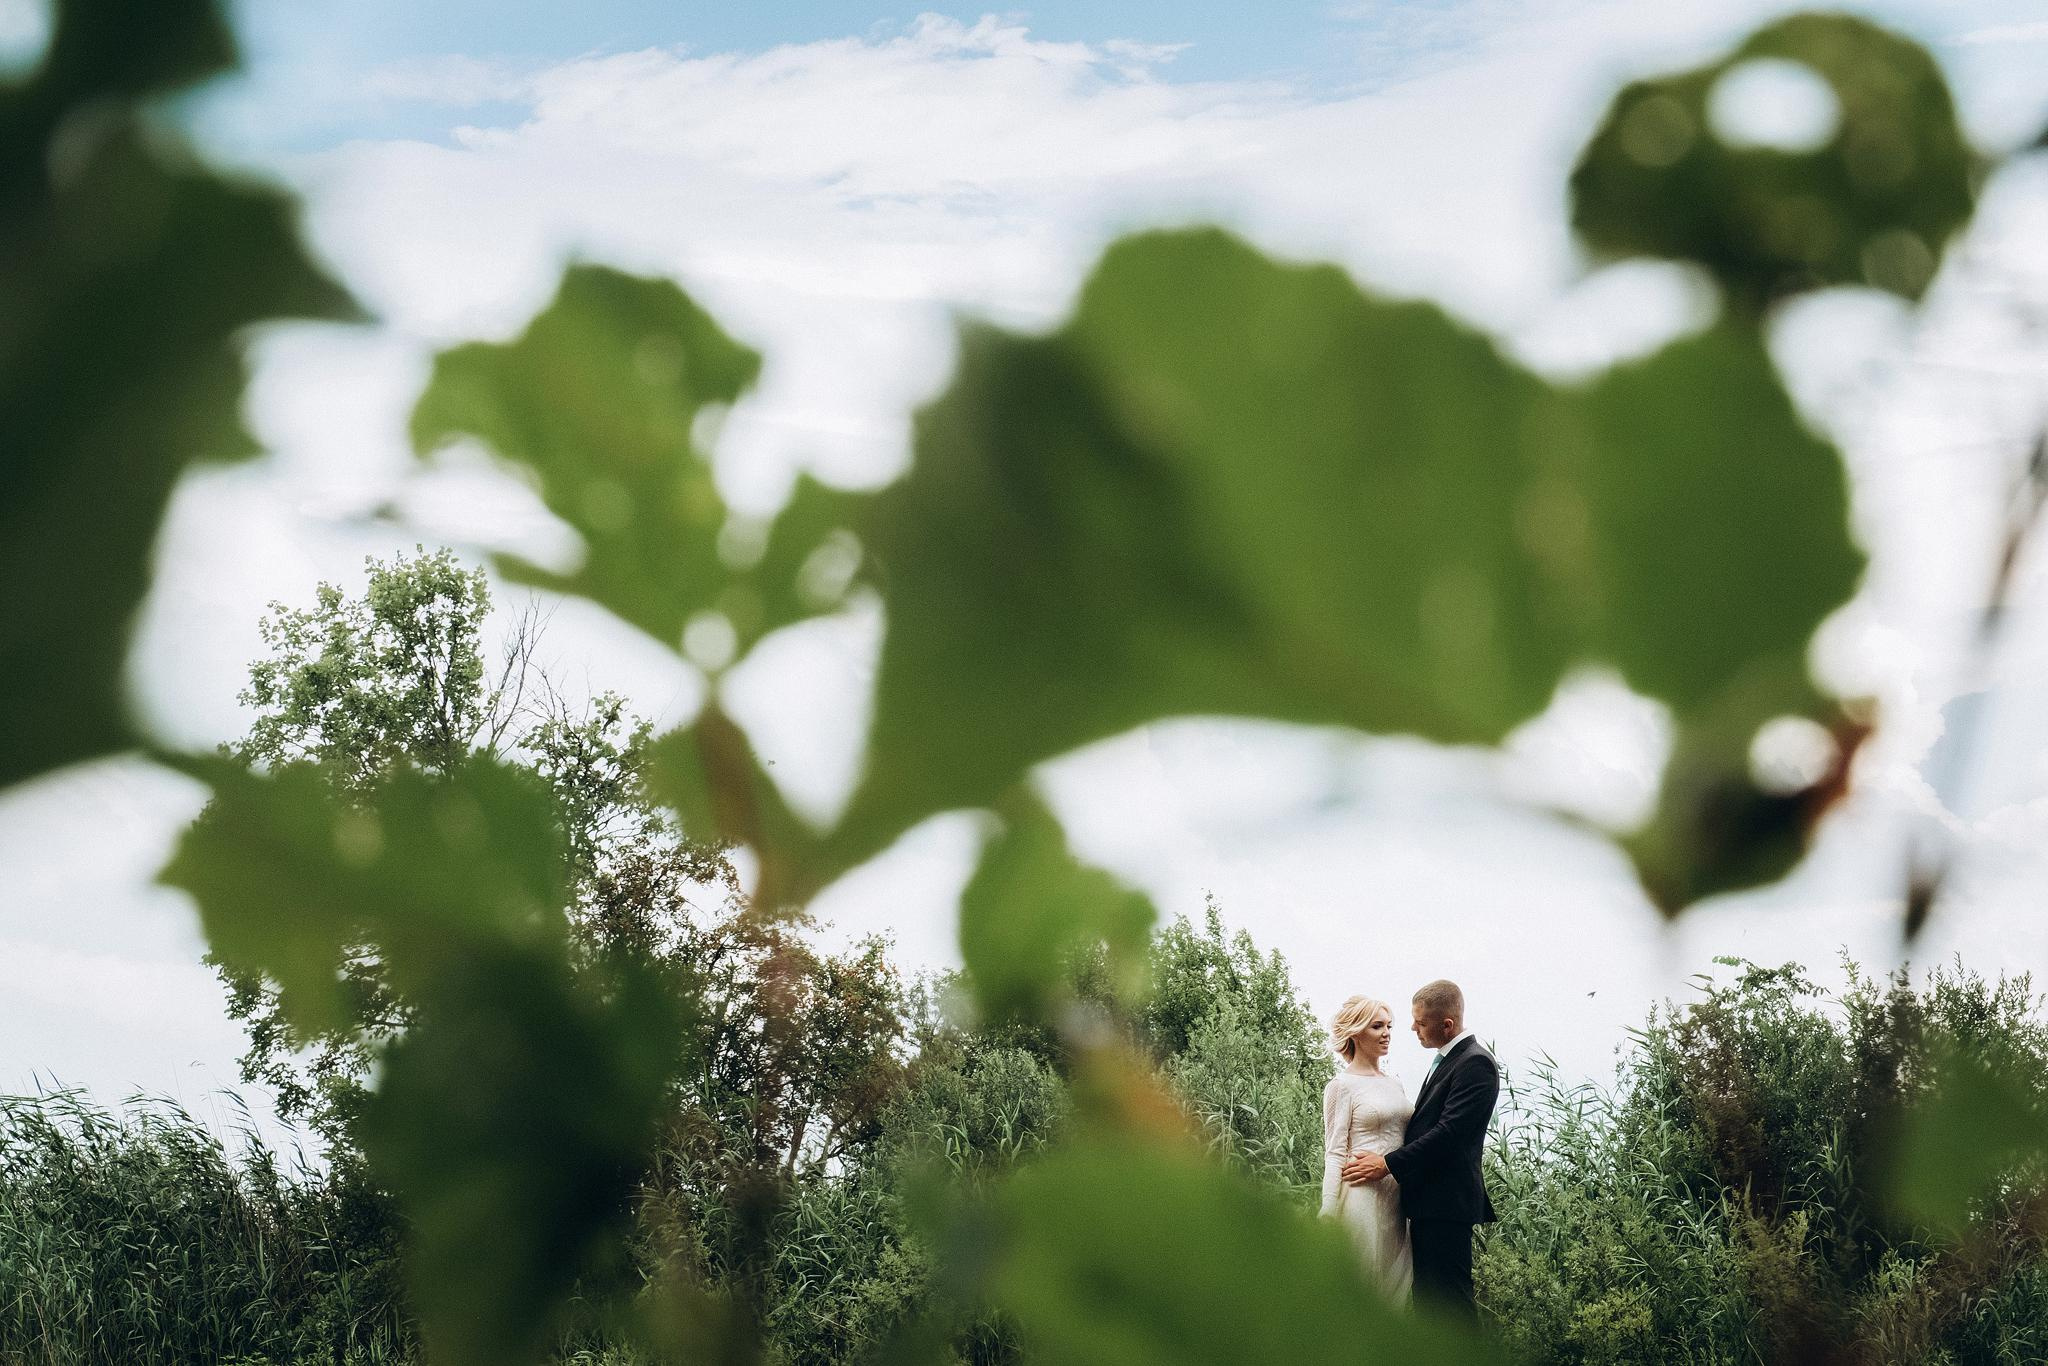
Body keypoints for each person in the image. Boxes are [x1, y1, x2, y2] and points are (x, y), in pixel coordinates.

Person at [1342, 979, 1498, 1316]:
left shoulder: (1475, 1063)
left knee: (1451, 1306)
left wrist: (1387, 1164)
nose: (1412, 1028)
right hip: (1426, 1204)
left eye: (1420, 1022)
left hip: (1446, 1204)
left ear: (1447, 1025)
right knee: (1431, 1306)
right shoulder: (1448, 1059)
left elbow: (1449, 1133)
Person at [1318, 995, 1412, 1301]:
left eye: (1388, 1026)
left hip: (1397, 1201)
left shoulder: (1395, 1083)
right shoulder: (1341, 1086)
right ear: (1356, 1033)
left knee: (1395, 1296)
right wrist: (1329, 1210)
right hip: (1361, 1198)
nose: (1386, 1033)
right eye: (1377, 1026)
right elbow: (1333, 1153)